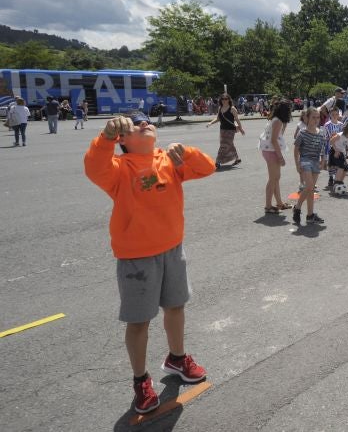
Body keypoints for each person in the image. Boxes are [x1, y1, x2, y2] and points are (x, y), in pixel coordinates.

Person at [84, 113, 215, 415]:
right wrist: (105, 138)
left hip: (172, 249)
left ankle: (177, 358)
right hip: (137, 257)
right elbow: (94, 167)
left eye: (147, 121)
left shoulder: (168, 159)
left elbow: (207, 167)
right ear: (122, 139)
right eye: (135, 124)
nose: (144, 124)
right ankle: (141, 379)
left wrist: (187, 152)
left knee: (176, 307)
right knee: (139, 321)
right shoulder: (119, 167)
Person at [292, 107, 327, 225]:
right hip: (305, 160)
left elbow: (322, 148)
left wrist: (323, 160)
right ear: (307, 118)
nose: (316, 120)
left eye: (318, 117)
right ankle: (297, 207)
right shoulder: (302, 133)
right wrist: (297, 164)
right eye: (313, 117)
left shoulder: (321, 132)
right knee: (310, 186)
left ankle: (310, 215)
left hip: (316, 161)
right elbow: (296, 149)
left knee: (311, 190)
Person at [258, 99, 292, 213]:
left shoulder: (277, 119)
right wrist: (280, 157)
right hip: (271, 151)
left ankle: (279, 203)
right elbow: (274, 140)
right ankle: (268, 206)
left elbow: (278, 136)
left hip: (270, 150)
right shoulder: (278, 121)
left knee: (276, 178)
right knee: (273, 179)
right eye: (289, 110)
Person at [206, 94, 245, 169]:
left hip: (230, 130)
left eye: (226, 99)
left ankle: (218, 161)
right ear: (220, 100)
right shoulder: (220, 108)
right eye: (222, 99)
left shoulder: (232, 108)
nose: (224, 100)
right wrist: (210, 123)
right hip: (222, 130)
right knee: (230, 144)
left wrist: (241, 128)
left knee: (224, 145)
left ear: (229, 100)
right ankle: (237, 158)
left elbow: (237, 119)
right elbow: (218, 118)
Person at [328, 122, 348, 193]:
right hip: (335, 151)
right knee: (341, 166)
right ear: (347, 130)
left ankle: (340, 182)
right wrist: (336, 150)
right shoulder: (340, 135)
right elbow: (331, 141)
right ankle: (336, 182)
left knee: (345, 168)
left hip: (341, 153)